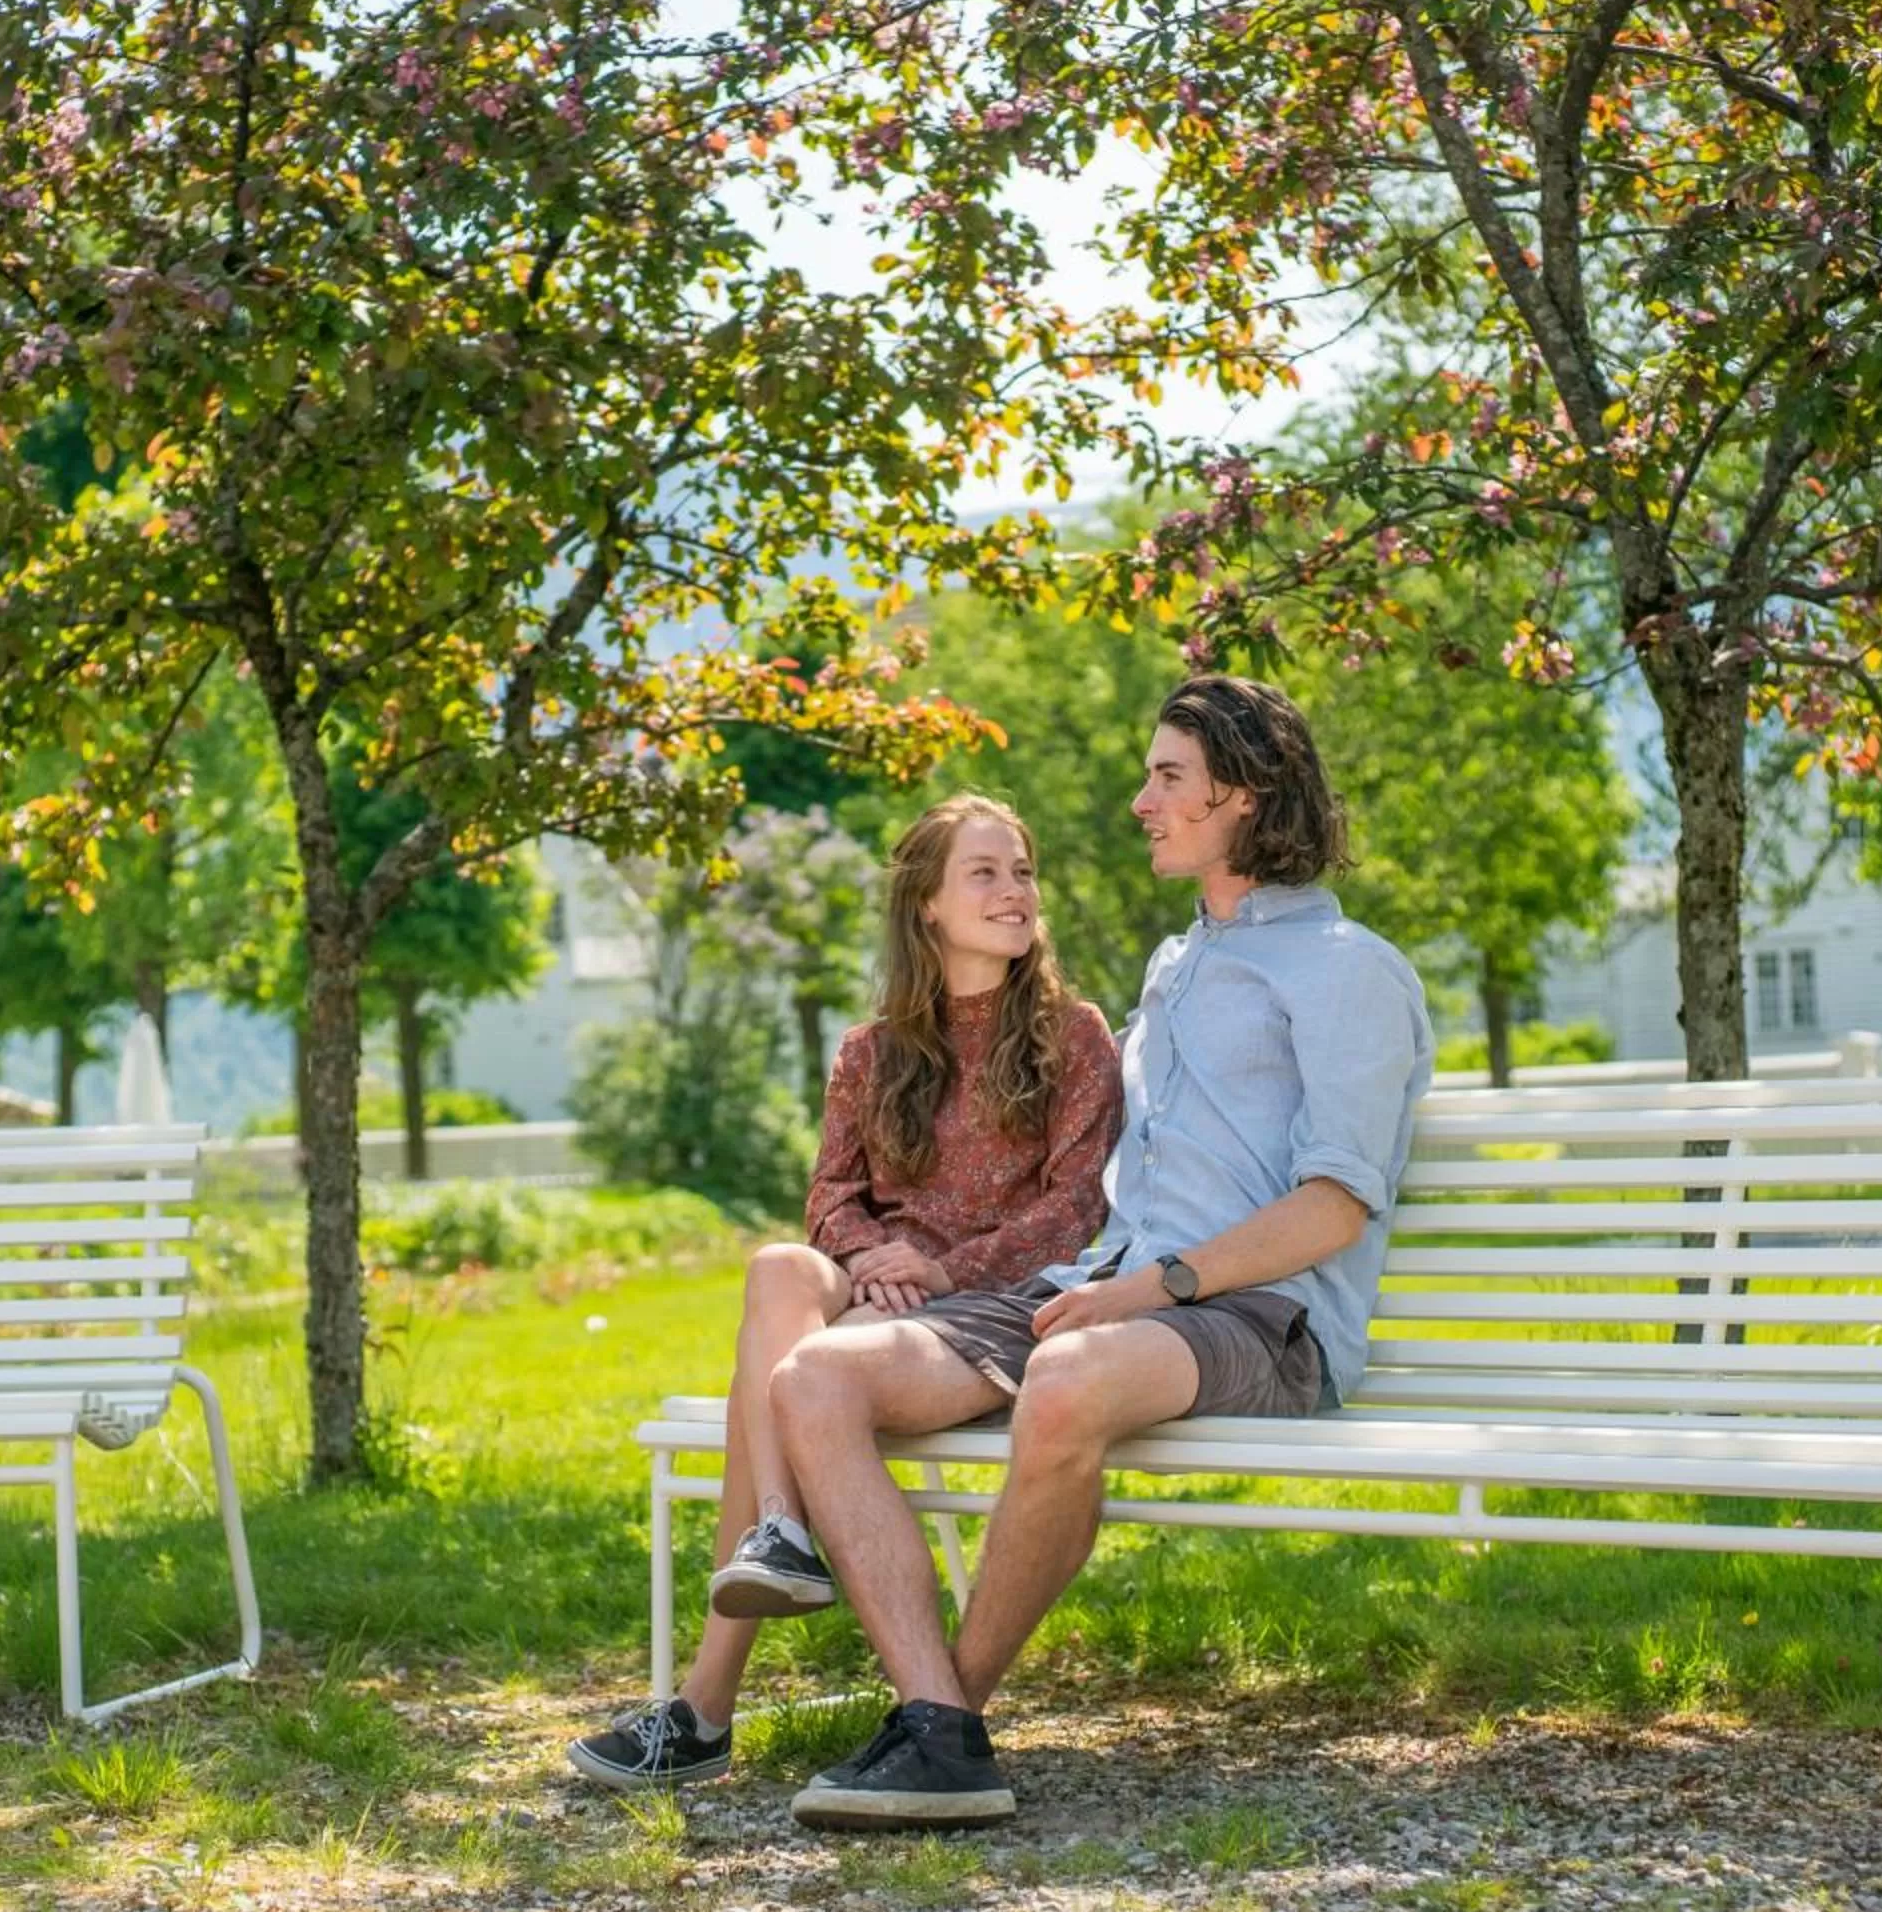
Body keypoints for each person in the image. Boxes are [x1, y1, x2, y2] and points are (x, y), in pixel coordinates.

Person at [770, 673, 1430, 1828]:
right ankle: (939, 1725)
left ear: (1245, 792)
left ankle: (939, 1731)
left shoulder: (1347, 969)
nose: (1141, 801)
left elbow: (1335, 1205)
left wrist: (1158, 1286)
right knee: (817, 1373)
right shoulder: (1177, 967)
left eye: (1167, 776)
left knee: (1068, 1380)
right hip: (1104, 1292)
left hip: (1261, 1317)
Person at [567, 793, 1122, 1790]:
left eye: (1024, 870)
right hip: (882, 1302)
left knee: (775, 1384)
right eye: (986, 873)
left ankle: (703, 1710)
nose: (1014, 891)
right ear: (928, 909)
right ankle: (779, 1531)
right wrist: (873, 1261)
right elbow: (830, 1197)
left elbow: (1076, 1207)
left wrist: (938, 1270)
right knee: (780, 1268)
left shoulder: (1071, 1036)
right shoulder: (872, 1053)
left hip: (996, 1308)